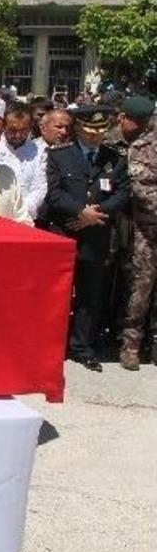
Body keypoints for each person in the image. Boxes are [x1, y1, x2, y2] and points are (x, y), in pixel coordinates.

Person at [43, 105, 130, 372]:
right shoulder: (60, 155)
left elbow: (123, 192)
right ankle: (52, 345)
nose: (95, 136)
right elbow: (53, 193)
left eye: (100, 131)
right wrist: (79, 211)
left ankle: (82, 346)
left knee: (89, 296)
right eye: (90, 130)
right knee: (58, 293)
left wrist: (97, 213)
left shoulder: (115, 158)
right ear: (78, 128)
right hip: (65, 231)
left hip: (96, 235)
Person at [117, 96, 157, 370]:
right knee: (141, 289)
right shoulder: (142, 147)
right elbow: (141, 190)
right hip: (147, 230)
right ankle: (130, 345)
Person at [0, 102, 47, 220]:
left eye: (23, 130)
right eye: (12, 130)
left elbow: (40, 188)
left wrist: (22, 211)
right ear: (3, 126)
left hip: (27, 216)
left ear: (31, 127)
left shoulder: (39, 152)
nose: (18, 135)